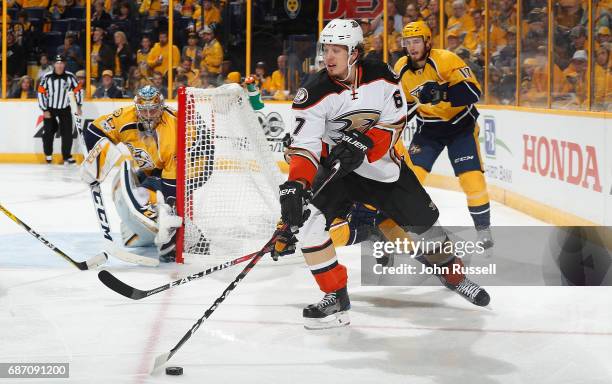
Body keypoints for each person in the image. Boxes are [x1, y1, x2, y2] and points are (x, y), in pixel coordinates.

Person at [277, 19, 490, 330]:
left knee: (430, 232)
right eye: (326, 49)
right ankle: (335, 296)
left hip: (386, 172)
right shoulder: (313, 94)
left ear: (355, 53)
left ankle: (453, 275)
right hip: (341, 175)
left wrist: (367, 144)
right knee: (311, 229)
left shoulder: (382, 76)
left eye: (338, 50)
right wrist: (296, 183)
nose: (329, 57)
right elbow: (305, 147)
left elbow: (396, 121)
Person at [394, 21, 494, 247]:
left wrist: (442, 92)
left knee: (472, 179)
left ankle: (483, 229)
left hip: (461, 126)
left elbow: (473, 91)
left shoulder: (446, 59)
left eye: (416, 41)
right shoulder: (401, 68)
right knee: (410, 178)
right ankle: (403, 229)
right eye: (408, 42)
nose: (412, 47)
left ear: (428, 41)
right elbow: (401, 106)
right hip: (429, 129)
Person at [80, 85, 181, 262]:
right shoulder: (125, 116)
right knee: (138, 189)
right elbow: (94, 131)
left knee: (169, 201)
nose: (149, 115)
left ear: (161, 107)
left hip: (191, 166)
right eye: (144, 110)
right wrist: (94, 159)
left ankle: (178, 231)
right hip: (153, 169)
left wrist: (171, 208)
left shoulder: (173, 128)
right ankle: (153, 224)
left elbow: (172, 180)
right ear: (137, 109)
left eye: (153, 110)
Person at [37, 55, 83, 165]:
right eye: (57, 63)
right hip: (50, 109)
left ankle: (67, 156)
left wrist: (79, 105)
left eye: (61, 63)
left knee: (67, 133)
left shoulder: (70, 76)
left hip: (65, 108)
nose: (59, 65)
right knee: (48, 133)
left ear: (64, 64)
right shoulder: (47, 77)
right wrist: (44, 109)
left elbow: (78, 90)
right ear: (54, 64)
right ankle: (48, 155)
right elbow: (40, 92)